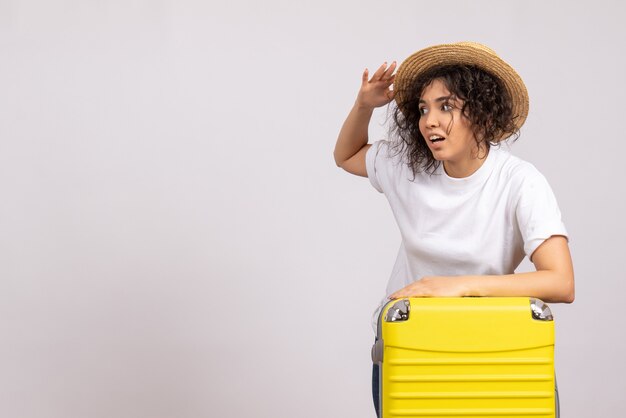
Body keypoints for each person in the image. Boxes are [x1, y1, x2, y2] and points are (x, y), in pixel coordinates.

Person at [332, 42, 575, 416]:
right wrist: (364, 104)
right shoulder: (407, 167)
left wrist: (457, 287)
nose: (429, 120)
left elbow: (561, 282)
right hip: (411, 344)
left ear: (482, 112)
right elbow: (346, 156)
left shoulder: (520, 181)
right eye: (423, 108)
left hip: (494, 346)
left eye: (446, 106)